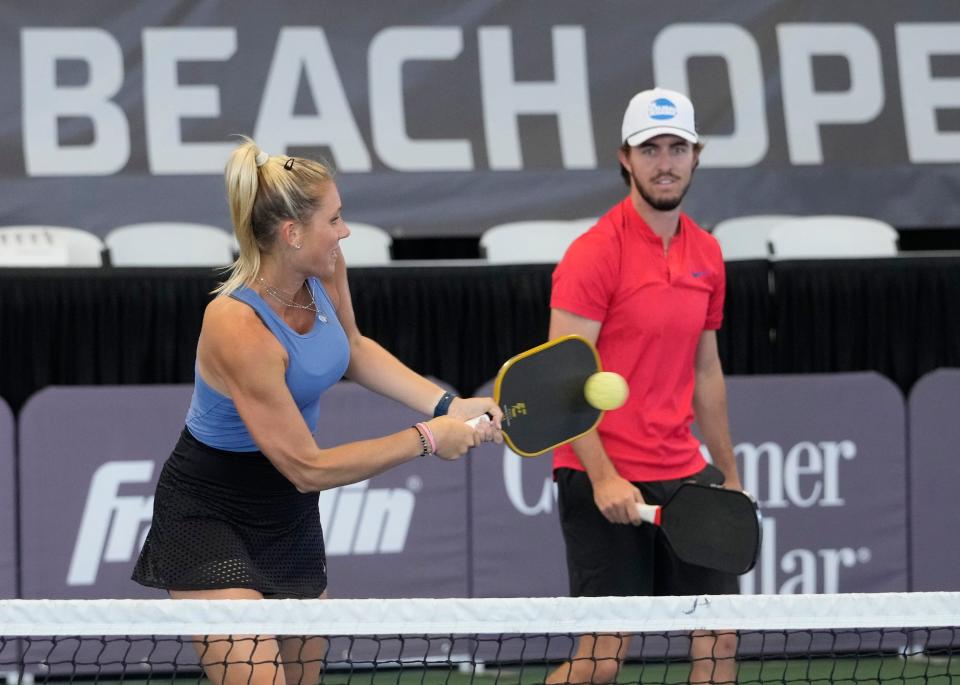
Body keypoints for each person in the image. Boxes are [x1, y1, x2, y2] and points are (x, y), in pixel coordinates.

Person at [132, 136, 503, 685]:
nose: (344, 230)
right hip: (209, 511)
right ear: (292, 233)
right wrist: (428, 437)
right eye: (335, 219)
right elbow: (307, 467)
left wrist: (448, 402)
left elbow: (353, 346)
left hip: (286, 514)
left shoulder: (325, 268)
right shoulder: (236, 326)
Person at [544, 88, 742, 685]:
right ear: (625, 159)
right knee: (602, 659)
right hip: (600, 471)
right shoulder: (592, 255)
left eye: (676, 146)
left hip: (685, 472)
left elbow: (705, 371)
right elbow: (561, 379)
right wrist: (603, 475)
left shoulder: (707, 253)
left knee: (719, 640)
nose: (665, 161)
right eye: (649, 148)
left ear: (696, 155)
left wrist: (728, 474)